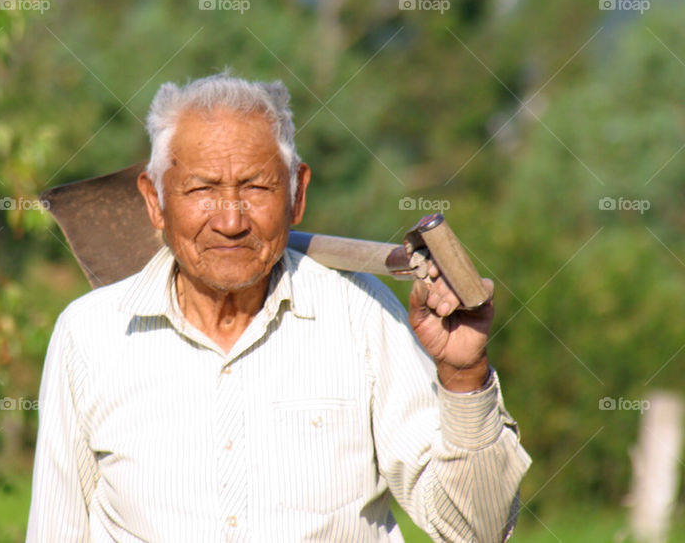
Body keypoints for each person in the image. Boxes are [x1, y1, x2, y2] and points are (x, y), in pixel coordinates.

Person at [26, 73, 531, 542]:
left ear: (297, 195)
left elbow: (477, 530)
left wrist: (464, 377)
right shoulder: (89, 336)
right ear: (155, 201)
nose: (230, 221)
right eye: (201, 188)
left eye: (257, 187)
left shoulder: (359, 313)